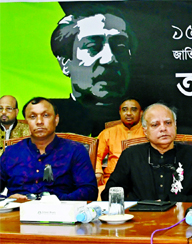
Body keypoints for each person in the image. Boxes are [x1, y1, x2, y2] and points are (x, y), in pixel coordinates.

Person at [102, 103, 192, 202]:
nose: (163, 129)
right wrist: (143, 205)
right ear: (145, 131)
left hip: (184, 221)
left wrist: (176, 201)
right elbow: (109, 195)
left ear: (175, 126)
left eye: (168, 123)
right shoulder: (131, 155)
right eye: (155, 125)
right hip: (141, 221)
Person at [50, 5, 137, 136]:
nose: (109, 59)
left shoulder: (151, 124)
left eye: (119, 47)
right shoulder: (46, 125)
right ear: (65, 62)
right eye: (92, 47)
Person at [0, 97, 97, 200]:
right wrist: (9, 200)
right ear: (26, 122)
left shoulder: (75, 151)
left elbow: (89, 191)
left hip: (59, 212)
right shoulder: (11, 153)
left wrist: (56, 200)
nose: (39, 122)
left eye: (45, 115)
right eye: (32, 116)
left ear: (56, 119)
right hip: (17, 213)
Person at [95, 98, 145, 187]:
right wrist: (98, 171)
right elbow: (96, 155)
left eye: (133, 109)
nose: (128, 113)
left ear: (141, 113)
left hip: (141, 180)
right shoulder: (108, 133)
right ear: (120, 113)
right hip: (111, 180)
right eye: (124, 110)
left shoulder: (148, 132)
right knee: (99, 196)